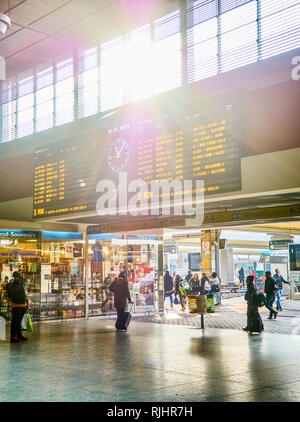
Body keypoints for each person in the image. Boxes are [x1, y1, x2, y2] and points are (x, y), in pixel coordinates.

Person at [5, 271, 28, 343]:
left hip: (20, 305)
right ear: (17, 276)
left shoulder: (18, 283)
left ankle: (19, 335)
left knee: (18, 321)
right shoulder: (16, 283)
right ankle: (13, 337)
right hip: (17, 305)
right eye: (20, 275)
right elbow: (18, 293)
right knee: (15, 321)